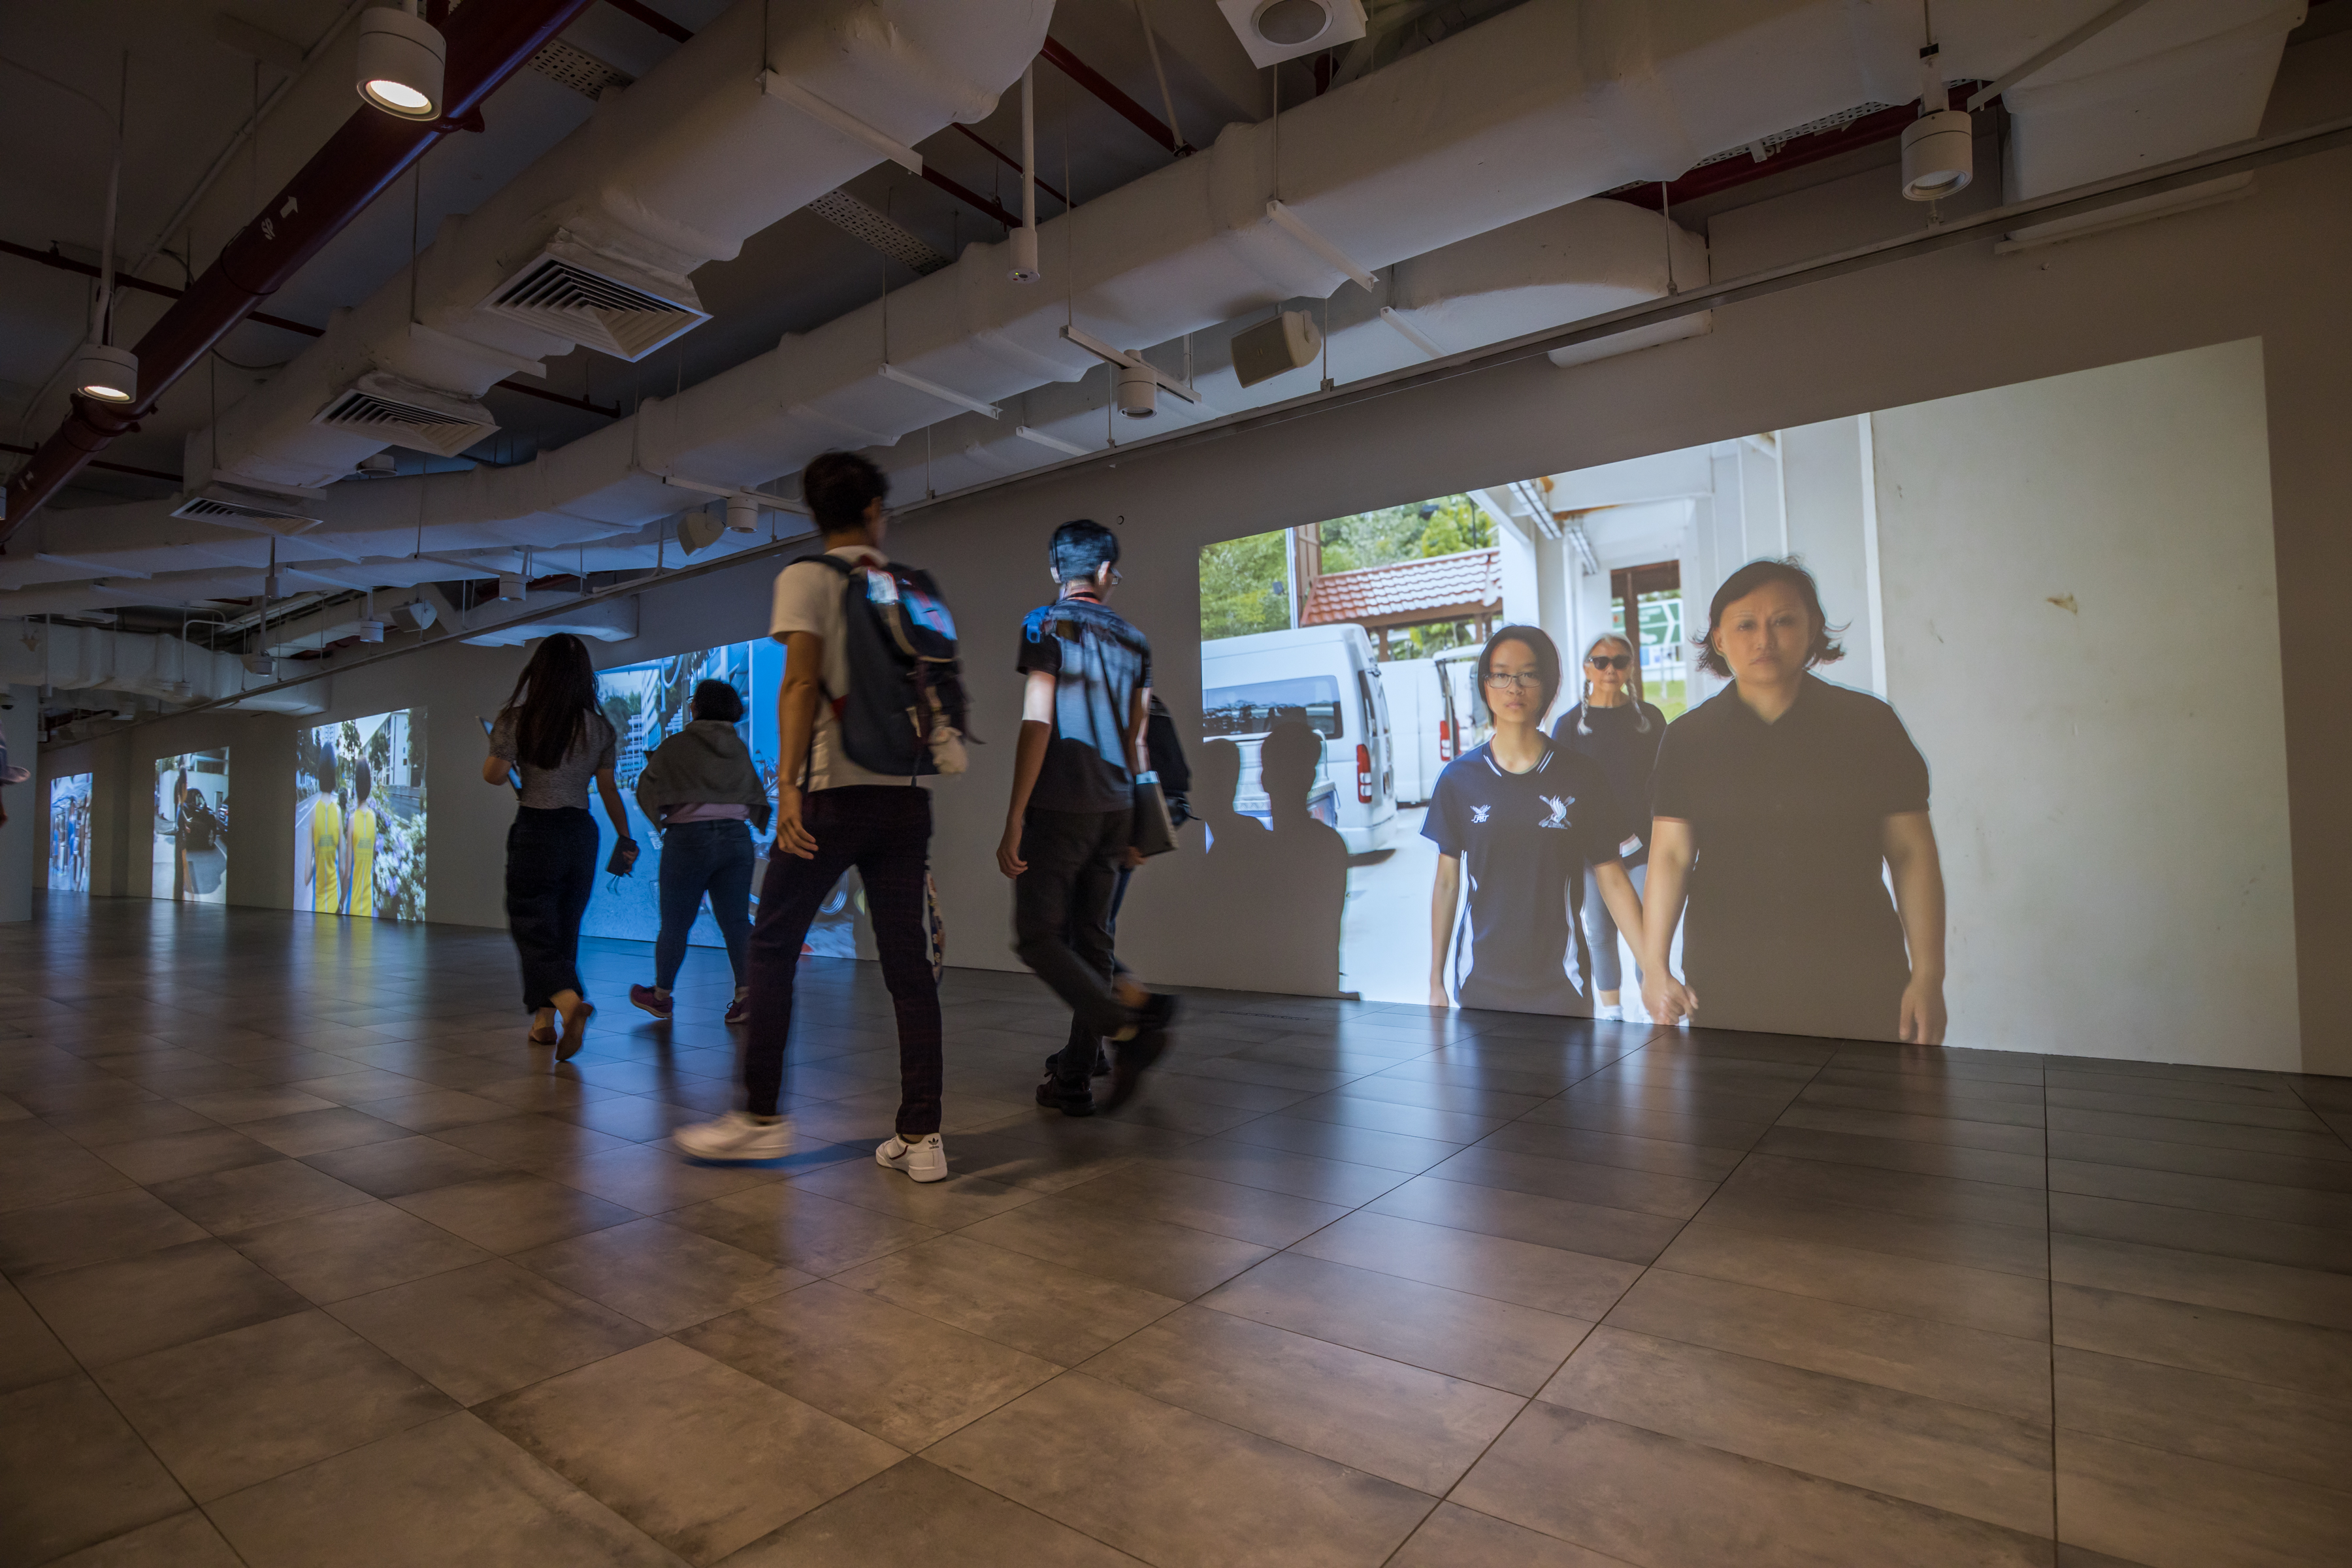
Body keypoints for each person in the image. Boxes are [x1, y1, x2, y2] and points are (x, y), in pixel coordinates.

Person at [676, 451, 951, 1182]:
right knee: (906, 966)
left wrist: (790, 789)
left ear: (817, 513)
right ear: (872, 512)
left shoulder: (808, 577)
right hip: (906, 797)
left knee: (770, 946)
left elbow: (799, 683)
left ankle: (761, 1117)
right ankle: (922, 1137)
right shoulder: (905, 587)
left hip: (834, 795)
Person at [1639, 557, 1947, 1044]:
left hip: (1857, 975)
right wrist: (1653, 967)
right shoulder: (1688, 740)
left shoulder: (1869, 726)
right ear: (1719, 639)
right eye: (1746, 625)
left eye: (1783, 621)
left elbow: (1911, 854)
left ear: (1813, 629)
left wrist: (1929, 976)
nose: (1764, 639)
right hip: (1728, 981)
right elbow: (1671, 856)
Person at [998, 518, 1177, 1117]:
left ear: (1056, 571)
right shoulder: (1135, 639)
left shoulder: (1043, 622)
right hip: (1115, 807)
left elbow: (1037, 720)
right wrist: (1135, 823)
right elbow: (1137, 738)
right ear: (1104, 573)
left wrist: (1015, 814)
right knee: (1094, 940)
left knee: (1037, 937)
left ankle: (1126, 1032)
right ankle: (1073, 1079)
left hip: (1059, 804)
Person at [1426, 626, 1646, 1016]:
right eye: (1501, 674)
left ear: (1548, 684)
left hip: (1562, 985)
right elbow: (1447, 883)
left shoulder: (1581, 775)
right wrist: (1435, 982)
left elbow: (1611, 876)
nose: (1515, 687)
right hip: (1479, 985)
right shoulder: (1458, 779)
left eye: (1529, 674)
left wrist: (1655, 969)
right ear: (1485, 683)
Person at [484, 632, 632, 1060]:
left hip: (536, 828)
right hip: (582, 832)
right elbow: (607, 789)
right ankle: (543, 1023)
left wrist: (499, 749)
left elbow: (493, 775)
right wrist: (625, 836)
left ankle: (569, 1005)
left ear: (538, 673)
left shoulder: (517, 719)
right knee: (564, 926)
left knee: (530, 924)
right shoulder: (600, 726)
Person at [629, 678, 770, 1025]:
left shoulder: (676, 745)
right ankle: (747, 996)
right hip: (737, 840)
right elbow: (754, 795)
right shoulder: (738, 747)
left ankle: (661, 997)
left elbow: (647, 788)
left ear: (697, 707)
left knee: (676, 924)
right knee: (737, 922)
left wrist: (663, 821)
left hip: (688, 840)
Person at [1553, 631, 1669, 1021]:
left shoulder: (1649, 719)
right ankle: (1613, 1012)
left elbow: (1665, 784)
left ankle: (1654, 1005)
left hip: (1644, 846)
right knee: (1600, 932)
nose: (1610, 669)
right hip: (1593, 851)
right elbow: (1561, 791)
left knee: (1648, 934)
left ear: (1630, 667)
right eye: (1600, 662)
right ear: (1586, 667)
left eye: (1619, 661)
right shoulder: (1569, 725)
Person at [307, 755, 343, 914]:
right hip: (335, 903)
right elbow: (342, 869)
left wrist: (317, 857)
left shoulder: (313, 813)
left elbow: (307, 877)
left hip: (318, 908)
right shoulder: (338, 813)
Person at [348, 760, 380, 919]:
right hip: (369, 905)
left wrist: (341, 904)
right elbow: (372, 859)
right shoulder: (374, 819)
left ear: (356, 786)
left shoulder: (352, 820)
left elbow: (347, 871)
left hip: (354, 903)